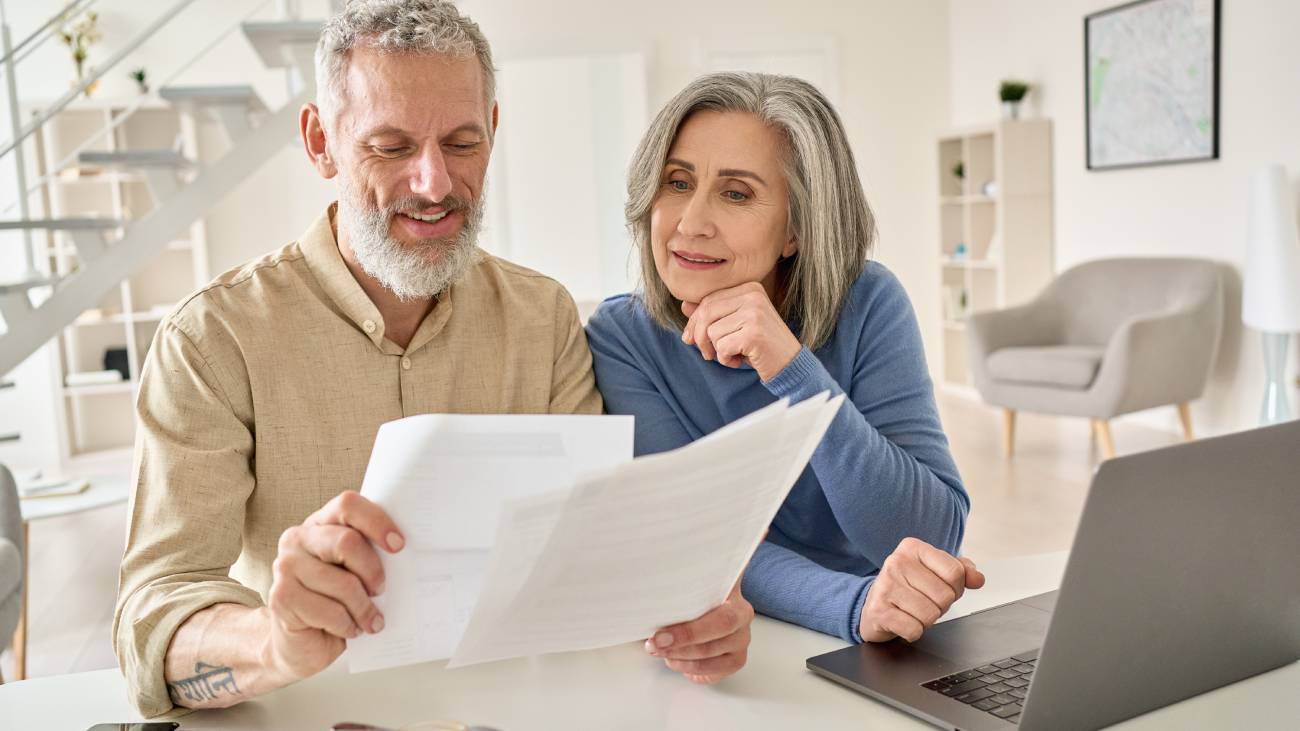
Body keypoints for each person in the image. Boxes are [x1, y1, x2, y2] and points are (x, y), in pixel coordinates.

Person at [113, 0, 739, 716]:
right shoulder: (212, 340)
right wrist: (272, 641)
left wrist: (690, 611)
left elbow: (595, 558)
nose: (435, 183)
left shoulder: (545, 319)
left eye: (463, 143)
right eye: (392, 146)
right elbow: (154, 614)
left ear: (494, 132)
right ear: (321, 143)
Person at [585, 72, 986, 678]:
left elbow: (932, 535)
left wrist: (795, 371)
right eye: (677, 183)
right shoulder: (623, 336)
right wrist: (853, 606)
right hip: (745, 644)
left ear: (797, 227)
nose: (690, 222)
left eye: (737, 194)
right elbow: (697, 541)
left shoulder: (869, 301)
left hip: (879, 650)